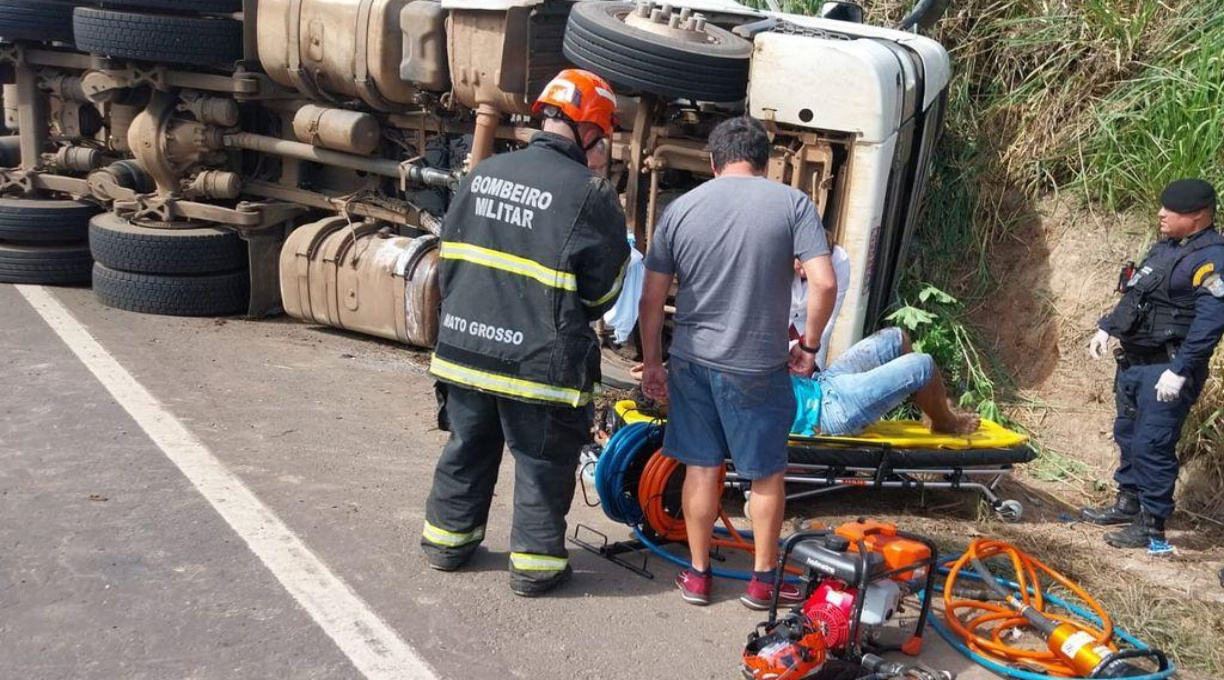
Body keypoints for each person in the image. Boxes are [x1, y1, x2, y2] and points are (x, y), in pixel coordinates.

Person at [421, 69, 631, 597]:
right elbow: (602, 295)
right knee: (541, 464)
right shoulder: (591, 193)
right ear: (590, 132)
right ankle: (535, 568)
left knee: (466, 447)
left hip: (463, 351)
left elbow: (449, 260)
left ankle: (447, 543)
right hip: (538, 367)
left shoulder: (482, 173)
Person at [638, 115, 839, 609]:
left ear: (712, 161)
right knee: (767, 474)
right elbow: (826, 282)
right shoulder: (792, 204)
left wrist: (651, 361)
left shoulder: (681, 208)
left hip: (692, 360)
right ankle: (762, 582)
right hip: (758, 366)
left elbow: (650, 298)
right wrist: (809, 347)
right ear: (765, 164)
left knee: (703, 469)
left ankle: (700, 575)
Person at [1082, 178, 1224, 552]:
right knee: (1128, 435)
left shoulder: (1212, 259)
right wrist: (1106, 328)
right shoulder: (1166, 249)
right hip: (1134, 363)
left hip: (1167, 367)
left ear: (1197, 216)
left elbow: (1211, 323)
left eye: (1171, 210)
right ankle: (1127, 503)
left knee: (1152, 443)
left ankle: (1152, 523)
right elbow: (1137, 294)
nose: (1161, 213)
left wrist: (1180, 371)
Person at [788, 327, 980, 438]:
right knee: (922, 365)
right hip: (823, 413)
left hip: (817, 384)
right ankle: (946, 422)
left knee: (895, 338)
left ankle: (929, 405)